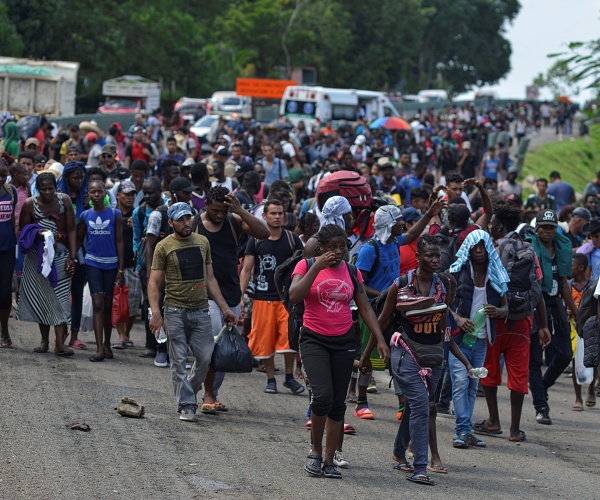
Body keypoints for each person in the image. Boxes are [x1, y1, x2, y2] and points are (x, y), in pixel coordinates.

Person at [290, 224, 389, 479]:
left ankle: (329, 459)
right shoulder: (306, 265)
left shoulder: (351, 270)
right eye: (331, 247)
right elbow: (295, 295)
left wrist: (379, 339)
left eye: (342, 246)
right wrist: (317, 266)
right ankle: (314, 451)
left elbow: (365, 307)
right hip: (314, 339)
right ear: (320, 247)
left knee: (337, 404)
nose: (337, 251)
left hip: (344, 341)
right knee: (322, 397)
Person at [371, 234, 471, 486]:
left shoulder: (444, 286)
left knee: (420, 405)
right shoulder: (400, 284)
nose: (435, 259)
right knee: (421, 405)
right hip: (405, 351)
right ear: (418, 257)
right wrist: (367, 355)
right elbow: (382, 321)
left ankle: (398, 450)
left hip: (434, 355)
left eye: (438, 255)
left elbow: (442, 320)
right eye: (429, 255)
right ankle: (420, 468)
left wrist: (458, 353)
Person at [148, 202, 236, 422]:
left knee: (206, 358)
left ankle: (187, 391)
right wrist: (156, 313)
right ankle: (187, 404)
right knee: (178, 359)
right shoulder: (163, 246)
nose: (186, 223)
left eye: (188, 218)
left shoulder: (202, 242)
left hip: (200, 310)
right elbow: (154, 283)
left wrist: (225, 308)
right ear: (171, 223)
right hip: (175, 311)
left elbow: (210, 278)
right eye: (180, 220)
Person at [195, 186, 269, 412]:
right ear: (206, 205)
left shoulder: (233, 220)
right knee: (213, 346)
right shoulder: (195, 225)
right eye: (216, 210)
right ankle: (206, 393)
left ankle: (212, 394)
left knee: (225, 349)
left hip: (232, 294)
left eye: (223, 211)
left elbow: (264, 234)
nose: (219, 215)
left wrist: (240, 211)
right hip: (206, 295)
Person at [448, 230, 509, 448]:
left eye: (483, 247)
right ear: (469, 249)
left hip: (481, 340)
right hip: (459, 339)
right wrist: (458, 318)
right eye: (475, 247)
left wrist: (498, 311)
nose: (479, 251)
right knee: (461, 383)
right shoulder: (458, 271)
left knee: (472, 385)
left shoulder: (496, 273)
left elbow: (506, 307)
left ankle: (465, 431)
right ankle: (463, 431)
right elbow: (443, 302)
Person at [240, 199, 305, 394]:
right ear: (264, 216)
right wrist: (240, 296)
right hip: (262, 299)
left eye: (280, 213)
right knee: (264, 342)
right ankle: (270, 379)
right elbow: (246, 270)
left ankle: (288, 377)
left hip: (287, 301)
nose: (277, 217)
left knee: (289, 342)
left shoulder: (292, 239)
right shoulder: (256, 239)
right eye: (273, 214)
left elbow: (302, 268)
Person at [17, 172, 77, 356]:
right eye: (43, 189)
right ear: (38, 189)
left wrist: (72, 257)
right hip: (37, 258)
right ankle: (44, 341)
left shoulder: (64, 201)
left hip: (61, 255)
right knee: (42, 298)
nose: (47, 192)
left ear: (56, 188)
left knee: (60, 299)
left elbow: (71, 229)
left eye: (51, 188)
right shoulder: (29, 204)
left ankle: (60, 343)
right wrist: (39, 232)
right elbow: (23, 231)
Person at [526, 209, 577, 425]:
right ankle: (541, 407)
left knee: (565, 354)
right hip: (536, 305)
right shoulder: (530, 249)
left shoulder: (560, 249)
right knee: (535, 360)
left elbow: (564, 283)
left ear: (556, 229)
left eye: (551, 227)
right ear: (537, 228)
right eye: (544, 227)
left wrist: (576, 314)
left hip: (555, 305)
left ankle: (543, 385)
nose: (547, 231)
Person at [77, 180, 124, 361]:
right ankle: (99, 349)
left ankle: (106, 343)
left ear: (106, 193)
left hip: (111, 265)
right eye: (93, 192)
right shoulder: (85, 215)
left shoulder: (115, 214)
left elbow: (120, 241)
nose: (96, 195)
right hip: (93, 263)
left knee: (106, 304)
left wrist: (120, 268)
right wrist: (75, 257)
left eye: (100, 192)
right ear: (88, 195)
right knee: (97, 304)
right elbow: (80, 237)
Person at [58, 161, 89, 350]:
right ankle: (61, 333)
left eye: (82, 176)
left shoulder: (85, 198)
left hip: (81, 250)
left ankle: (74, 336)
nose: (79, 180)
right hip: (62, 247)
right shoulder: (59, 197)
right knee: (61, 293)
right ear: (67, 177)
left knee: (77, 293)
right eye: (75, 177)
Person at [113, 181, 142, 349]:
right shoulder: (112, 214)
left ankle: (127, 333)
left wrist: (135, 227)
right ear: (118, 195)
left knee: (133, 303)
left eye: (132, 194)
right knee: (118, 301)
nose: (130, 197)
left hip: (133, 264)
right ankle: (121, 335)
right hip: (115, 264)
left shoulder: (138, 215)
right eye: (126, 194)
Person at [568, 253, 597, 410]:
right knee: (575, 360)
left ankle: (591, 389)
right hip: (573, 326)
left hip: (591, 326)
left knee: (593, 359)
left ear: (580, 268)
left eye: (571, 266)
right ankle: (578, 397)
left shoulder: (592, 286)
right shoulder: (568, 284)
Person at [0, 160, 17, 348]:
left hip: (7, 249)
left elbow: (13, 218)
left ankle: (4, 330)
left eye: (3, 175)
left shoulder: (10, 191)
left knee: (4, 293)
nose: (0, 179)